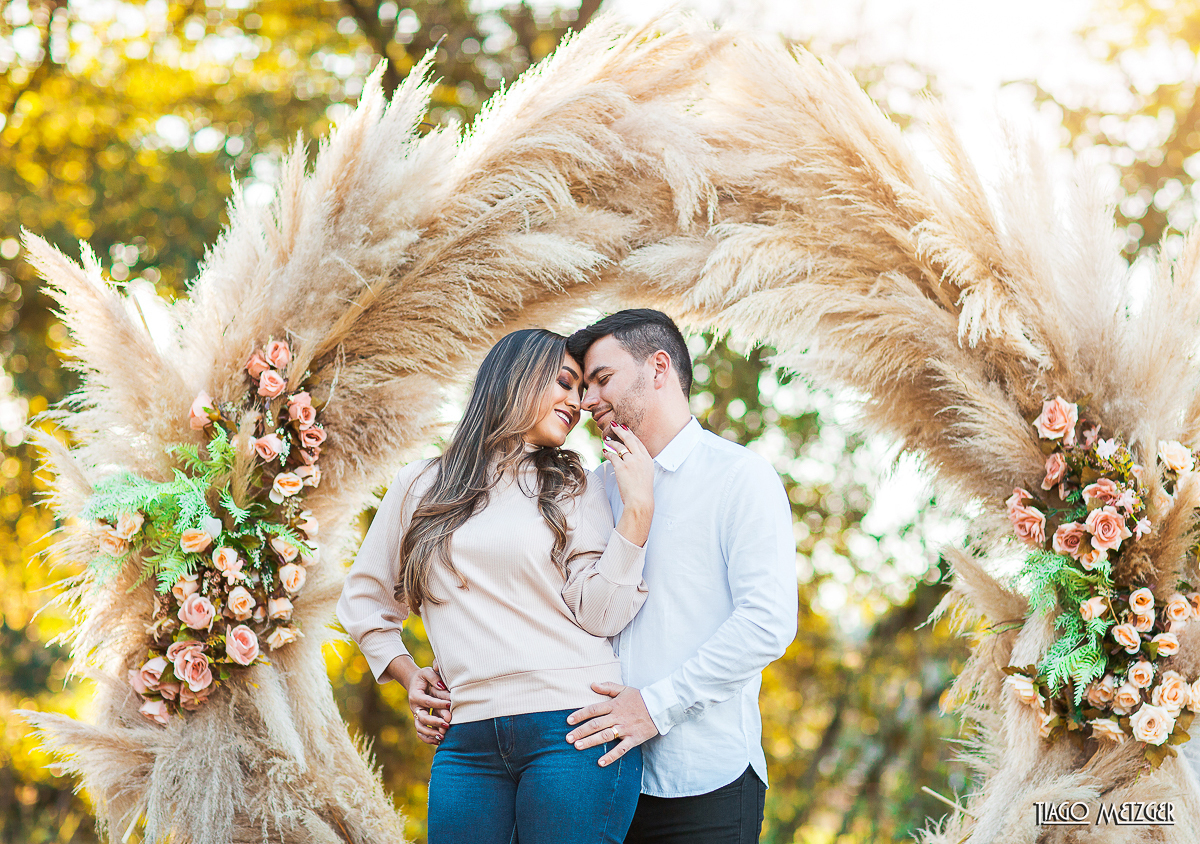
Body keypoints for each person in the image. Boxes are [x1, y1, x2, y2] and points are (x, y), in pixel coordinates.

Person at [337, 328, 658, 844]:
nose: (577, 402)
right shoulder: (419, 485)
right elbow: (365, 599)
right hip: (466, 739)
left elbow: (601, 615)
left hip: (572, 728)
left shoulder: (572, 483)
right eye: (563, 382)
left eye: (580, 389)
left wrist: (637, 513)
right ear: (514, 377)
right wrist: (406, 674)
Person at [561, 309, 798, 844]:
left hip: (706, 783)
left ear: (659, 368)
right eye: (584, 387)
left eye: (602, 379)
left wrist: (654, 706)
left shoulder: (741, 477)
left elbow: (768, 622)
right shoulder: (593, 489)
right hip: (594, 778)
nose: (587, 400)